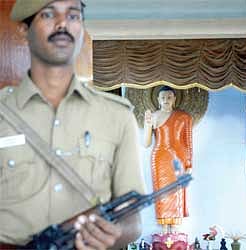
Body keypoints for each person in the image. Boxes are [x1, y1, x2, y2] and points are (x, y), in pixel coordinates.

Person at [0, 0, 145, 249]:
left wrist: (116, 232)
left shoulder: (117, 116)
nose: (62, 24)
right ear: (25, 31)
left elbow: (133, 219)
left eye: (74, 15)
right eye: (48, 14)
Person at [144, 86, 193, 232]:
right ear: (158, 99)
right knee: (162, 193)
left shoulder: (184, 117)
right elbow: (146, 143)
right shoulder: (153, 117)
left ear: (175, 99)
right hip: (159, 159)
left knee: (176, 191)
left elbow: (188, 142)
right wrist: (147, 125)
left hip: (178, 160)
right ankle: (164, 232)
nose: (166, 100)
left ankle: (176, 233)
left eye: (169, 97)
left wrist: (189, 164)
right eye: (163, 97)